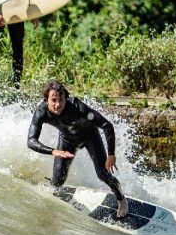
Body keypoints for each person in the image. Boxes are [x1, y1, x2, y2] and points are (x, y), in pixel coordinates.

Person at [28, 80, 128, 219]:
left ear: (66, 98)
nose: (58, 104)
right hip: (67, 140)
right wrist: (53, 151)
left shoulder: (77, 106)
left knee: (103, 174)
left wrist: (111, 154)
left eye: (61, 100)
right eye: (53, 100)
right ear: (46, 100)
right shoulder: (41, 112)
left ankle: (121, 199)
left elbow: (106, 125)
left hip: (89, 137)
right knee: (57, 181)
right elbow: (31, 141)